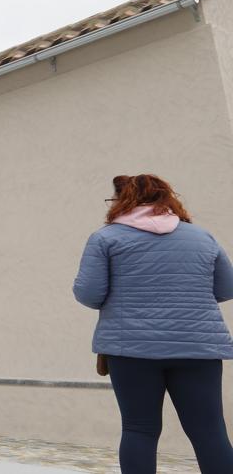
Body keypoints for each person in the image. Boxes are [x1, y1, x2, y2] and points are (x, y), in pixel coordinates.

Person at [73, 174, 233, 473]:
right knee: (209, 433)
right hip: (198, 348)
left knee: (139, 430)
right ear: (167, 199)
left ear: (122, 201)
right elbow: (227, 288)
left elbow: (90, 295)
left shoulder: (105, 239)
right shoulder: (202, 237)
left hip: (131, 350)